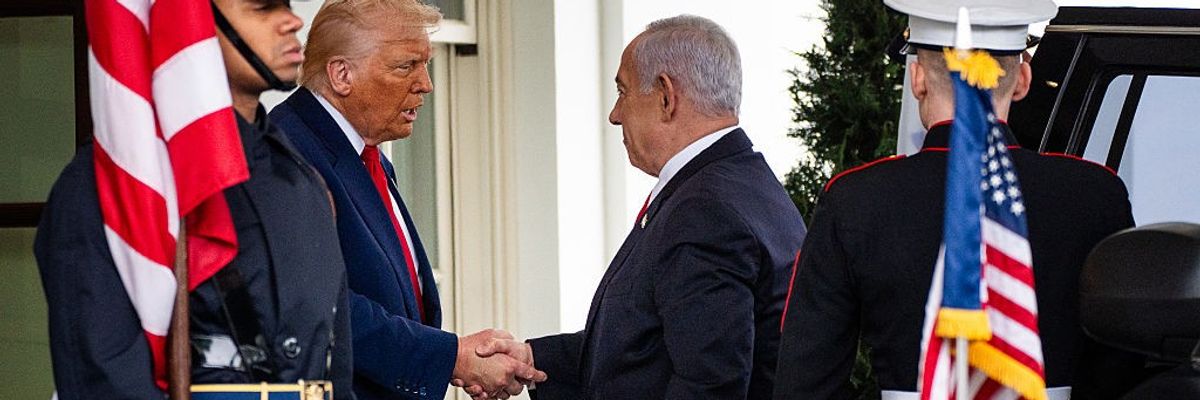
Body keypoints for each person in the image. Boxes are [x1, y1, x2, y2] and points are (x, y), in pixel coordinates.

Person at [774, 1, 1144, 399]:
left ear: (917, 79)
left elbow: (805, 381)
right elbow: (1123, 366)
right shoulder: (1096, 194)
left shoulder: (855, 200)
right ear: (1022, 80)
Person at [460, 15, 807, 400]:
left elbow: (709, 385)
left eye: (622, 91)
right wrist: (532, 360)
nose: (615, 114)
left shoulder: (704, 210)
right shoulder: (745, 183)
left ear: (665, 97)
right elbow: (649, 344)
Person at [36, 0, 354, 398]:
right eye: (261, 7)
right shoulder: (118, 183)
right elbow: (106, 378)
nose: (291, 21)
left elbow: (335, 362)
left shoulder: (302, 178)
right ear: (190, 24)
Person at [268, 1, 545, 399]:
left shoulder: (369, 156)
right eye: (406, 66)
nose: (425, 84)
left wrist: (450, 357)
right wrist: (452, 357)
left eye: (425, 64)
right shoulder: (284, 152)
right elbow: (318, 307)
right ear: (342, 75)